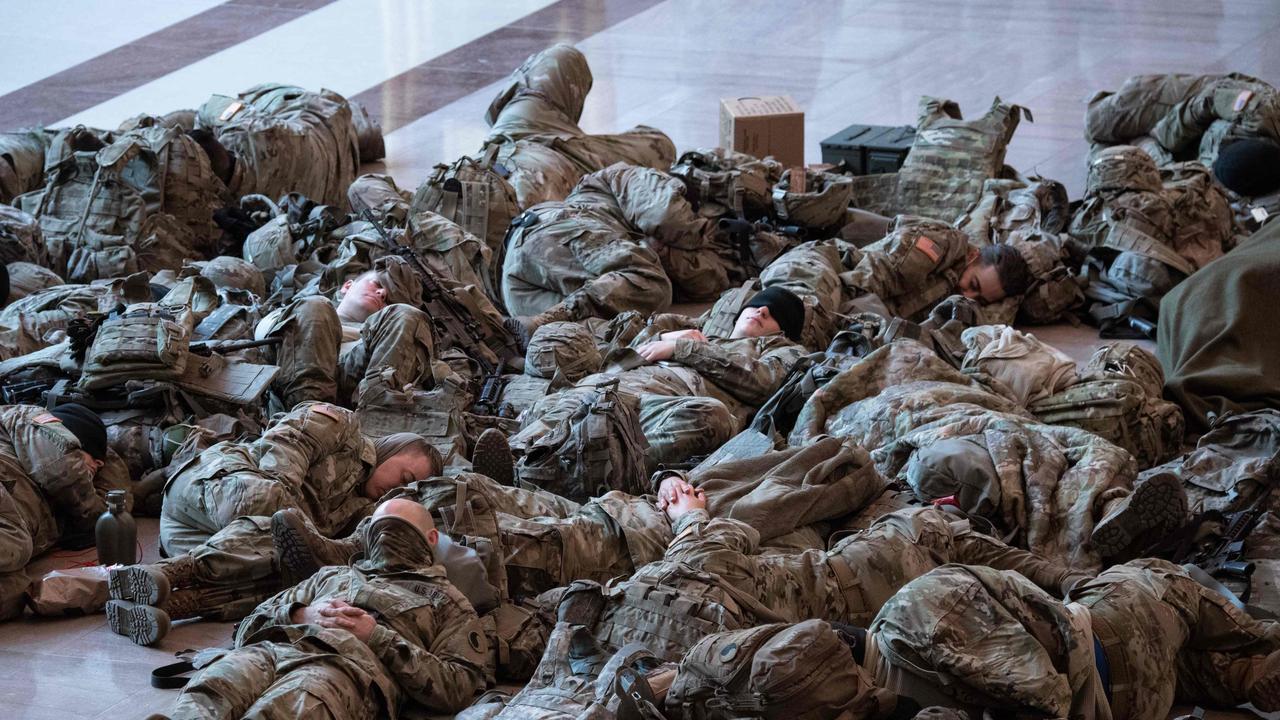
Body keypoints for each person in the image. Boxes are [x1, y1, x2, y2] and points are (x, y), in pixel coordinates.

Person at [151, 500, 489, 719]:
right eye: (378, 528)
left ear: (431, 539)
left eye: (399, 528)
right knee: (214, 688)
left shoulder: (449, 603)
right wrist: (300, 614)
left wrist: (377, 636)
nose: (386, 537)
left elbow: (456, 687)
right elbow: (246, 628)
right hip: (277, 648)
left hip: (345, 670)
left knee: (289, 709)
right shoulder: (333, 574)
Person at [866, 561, 1280, 719]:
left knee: (1181, 665)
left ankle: (1244, 675)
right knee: (1160, 579)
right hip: (1118, 632)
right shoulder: (916, 608)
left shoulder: (892, 708)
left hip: (1130, 706)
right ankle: (1264, 648)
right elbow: (1047, 693)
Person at [510, 287, 807, 472]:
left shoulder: (783, 351)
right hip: (625, 383)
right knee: (570, 408)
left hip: (672, 406)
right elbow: (625, 355)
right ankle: (517, 455)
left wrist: (682, 348)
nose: (762, 310)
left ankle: (550, 470)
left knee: (711, 419)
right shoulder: (695, 331)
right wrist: (664, 337)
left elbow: (764, 383)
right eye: (757, 305)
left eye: (773, 314)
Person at [159, 402, 442, 556]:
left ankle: (162, 580)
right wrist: (296, 522)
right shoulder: (345, 429)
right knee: (272, 503)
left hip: (189, 539)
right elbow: (288, 440)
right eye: (403, 476)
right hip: (214, 487)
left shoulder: (364, 511)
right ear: (392, 449)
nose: (397, 489)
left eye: (405, 490)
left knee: (277, 574)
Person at [502, 162, 740, 323]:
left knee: (618, 321)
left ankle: (550, 320)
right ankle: (553, 317)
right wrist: (704, 231)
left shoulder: (630, 235)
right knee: (653, 285)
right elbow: (666, 215)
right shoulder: (626, 175)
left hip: (520, 293)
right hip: (555, 233)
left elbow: (706, 283)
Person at [762, 220, 1032, 327]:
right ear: (974, 256)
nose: (968, 295)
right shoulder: (939, 245)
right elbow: (872, 279)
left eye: (980, 297)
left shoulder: (957, 297)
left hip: (853, 301)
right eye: (973, 283)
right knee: (799, 322)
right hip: (824, 270)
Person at [0, 403, 108, 620]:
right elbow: (64, 468)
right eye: (93, 462)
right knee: (16, 543)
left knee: (13, 592)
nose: (95, 469)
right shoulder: (29, 419)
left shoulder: (59, 506)